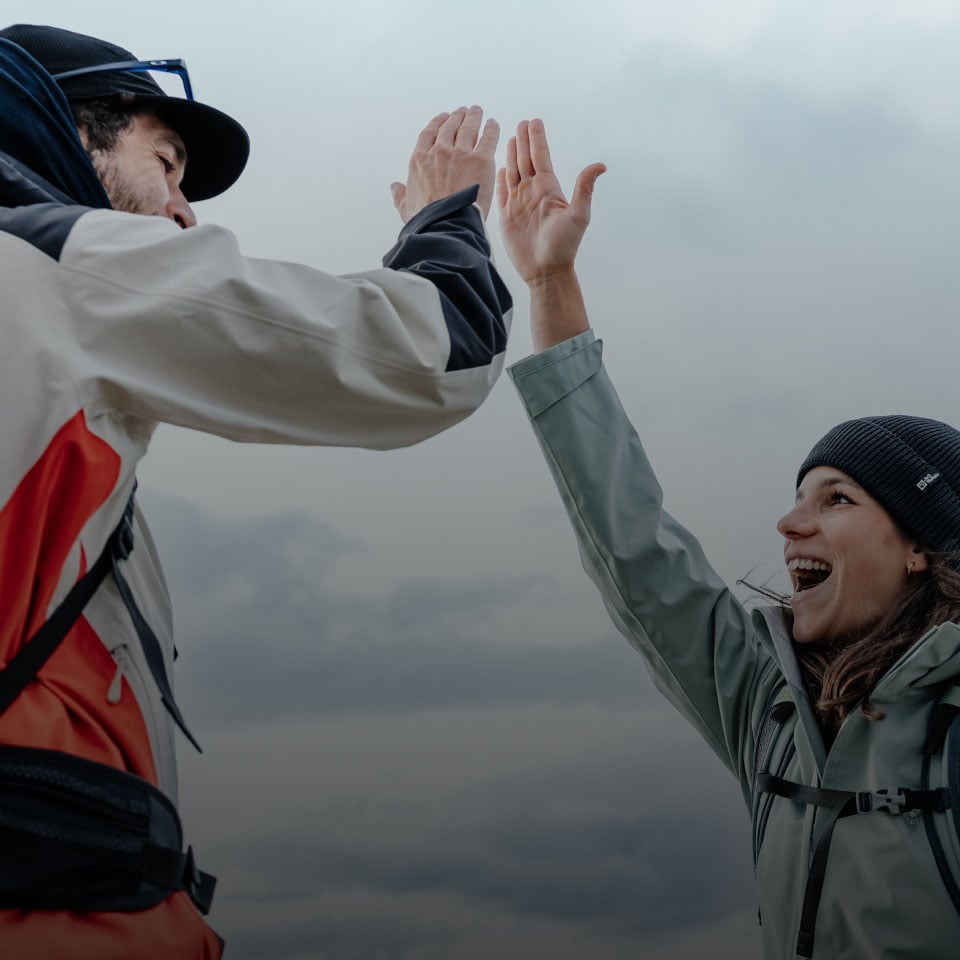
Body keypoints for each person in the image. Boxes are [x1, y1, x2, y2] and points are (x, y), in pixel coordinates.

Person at [0, 22, 511, 960]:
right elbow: (435, 352)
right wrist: (444, 220)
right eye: (167, 164)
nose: (184, 213)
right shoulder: (53, 267)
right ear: (67, 134)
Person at [499, 117, 960, 959]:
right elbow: (632, 546)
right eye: (797, 499)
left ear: (920, 547)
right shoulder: (764, 704)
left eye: (837, 499)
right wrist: (550, 283)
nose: (790, 524)